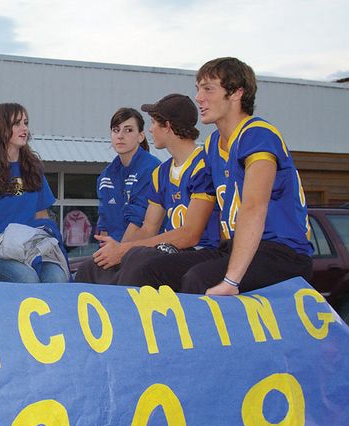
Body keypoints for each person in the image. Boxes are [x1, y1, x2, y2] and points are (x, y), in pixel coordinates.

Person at [129, 57, 313, 295]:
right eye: (198, 89)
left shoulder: (258, 134)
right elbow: (194, 199)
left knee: (199, 279)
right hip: (233, 246)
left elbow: (254, 207)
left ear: (236, 93)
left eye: (208, 89)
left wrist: (231, 281)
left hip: (282, 251)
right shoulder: (213, 145)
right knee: (150, 269)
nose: (198, 97)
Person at [75, 94, 220, 284]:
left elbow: (190, 235)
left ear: (168, 126)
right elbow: (149, 229)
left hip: (203, 250)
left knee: (140, 264)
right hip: (171, 250)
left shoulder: (204, 165)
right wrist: (116, 249)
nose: (150, 129)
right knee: (90, 268)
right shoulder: (161, 172)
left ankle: (128, 313)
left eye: (153, 123)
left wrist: (125, 250)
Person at [0, 103, 69, 283]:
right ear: (0, 127)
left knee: (58, 278)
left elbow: (41, 217)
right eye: (16, 123)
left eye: (26, 123)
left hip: (30, 249)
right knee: (26, 278)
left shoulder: (33, 167)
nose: (24, 128)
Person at [95, 107, 161, 243]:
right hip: (113, 250)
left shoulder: (152, 169)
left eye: (128, 130)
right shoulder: (105, 176)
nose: (120, 136)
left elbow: (138, 222)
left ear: (141, 136)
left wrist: (118, 252)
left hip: (144, 250)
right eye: (116, 130)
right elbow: (104, 224)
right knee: (87, 265)